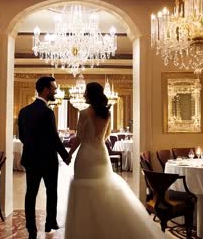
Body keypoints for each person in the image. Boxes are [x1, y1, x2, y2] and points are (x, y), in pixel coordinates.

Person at [64, 82, 165, 239]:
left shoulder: (84, 113)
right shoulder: (107, 114)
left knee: (84, 189)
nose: (83, 95)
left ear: (90, 94)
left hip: (86, 156)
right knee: (103, 189)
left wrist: (69, 154)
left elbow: (78, 137)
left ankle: (88, 230)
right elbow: (106, 136)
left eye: (85, 92)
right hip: (100, 154)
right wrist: (97, 141)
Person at [18, 76, 71, 239]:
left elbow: (21, 137)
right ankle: (50, 223)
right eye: (54, 88)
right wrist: (66, 156)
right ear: (46, 90)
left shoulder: (24, 111)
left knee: (30, 194)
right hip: (48, 159)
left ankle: (31, 229)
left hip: (31, 159)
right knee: (52, 192)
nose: (55, 91)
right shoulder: (47, 112)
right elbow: (54, 138)